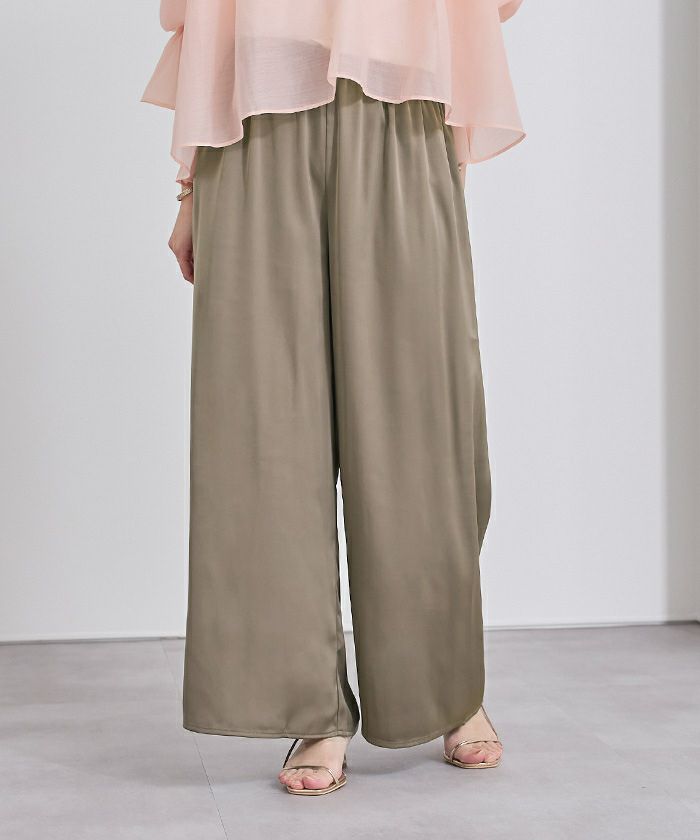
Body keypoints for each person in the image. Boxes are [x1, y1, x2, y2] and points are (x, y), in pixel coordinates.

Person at [142, 0, 525, 796]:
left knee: (419, 418)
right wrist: (190, 189)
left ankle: (447, 685)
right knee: (262, 426)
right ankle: (308, 705)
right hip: (255, 110)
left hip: (400, 101)